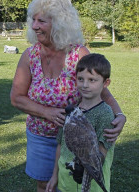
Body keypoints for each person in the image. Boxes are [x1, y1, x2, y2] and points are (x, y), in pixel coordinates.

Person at [10, 0, 126, 191]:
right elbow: (16, 98)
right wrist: (47, 112)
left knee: (74, 186)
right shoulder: (29, 55)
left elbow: (104, 93)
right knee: (43, 185)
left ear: (59, 23)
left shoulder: (77, 53)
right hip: (40, 135)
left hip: (77, 139)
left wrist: (120, 116)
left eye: (41, 21)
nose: (34, 26)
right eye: (33, 20)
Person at [46, 53, 117, 192]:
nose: (85, 85)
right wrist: (54, 175)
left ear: (105, 83)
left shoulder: (105, 114)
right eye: (80, 79)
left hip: (92, 187)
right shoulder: (70, 111)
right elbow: (60, 145)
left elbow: (102, 152)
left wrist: (84, 169)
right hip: (65, 182)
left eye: (92, 80)